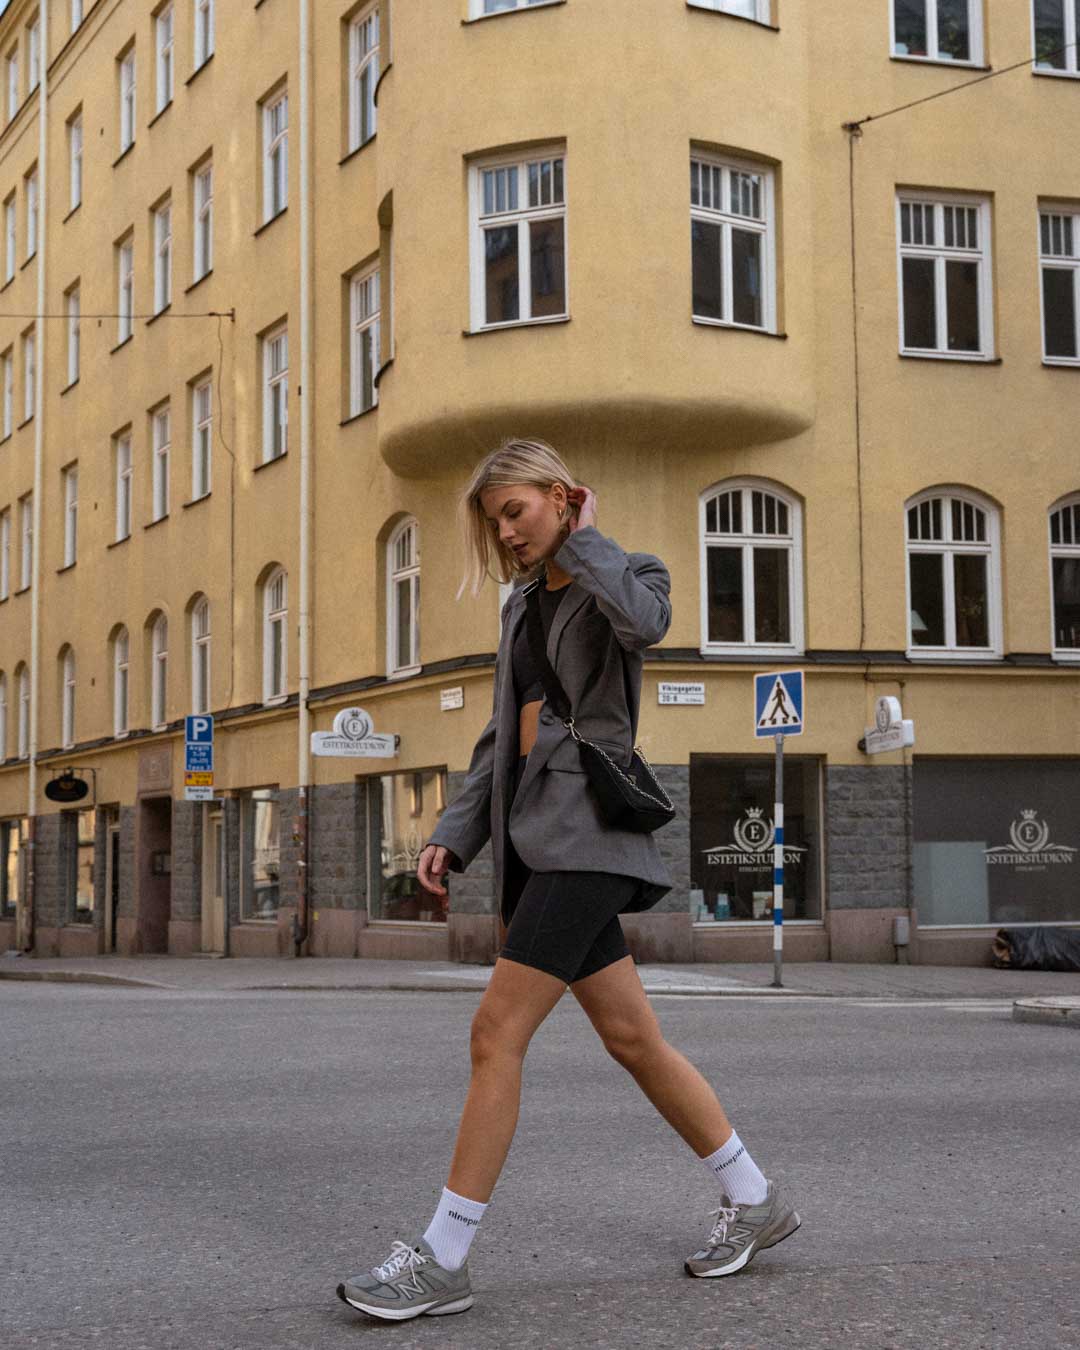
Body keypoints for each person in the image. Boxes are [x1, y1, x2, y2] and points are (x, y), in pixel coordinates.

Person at [336, 438, 800, 1322]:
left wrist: (585, 539)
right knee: (634, 1040)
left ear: (559, 495)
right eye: (493, 520)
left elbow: (646, 623)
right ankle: (754, 1197)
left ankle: (443, 1256)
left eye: (515, 511)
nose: (505, 532)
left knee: (494, 1033)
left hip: (586, 835)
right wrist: (455, 832)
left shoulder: (619, 571)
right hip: (533, 841)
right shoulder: (518, 609)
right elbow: (498, 733)